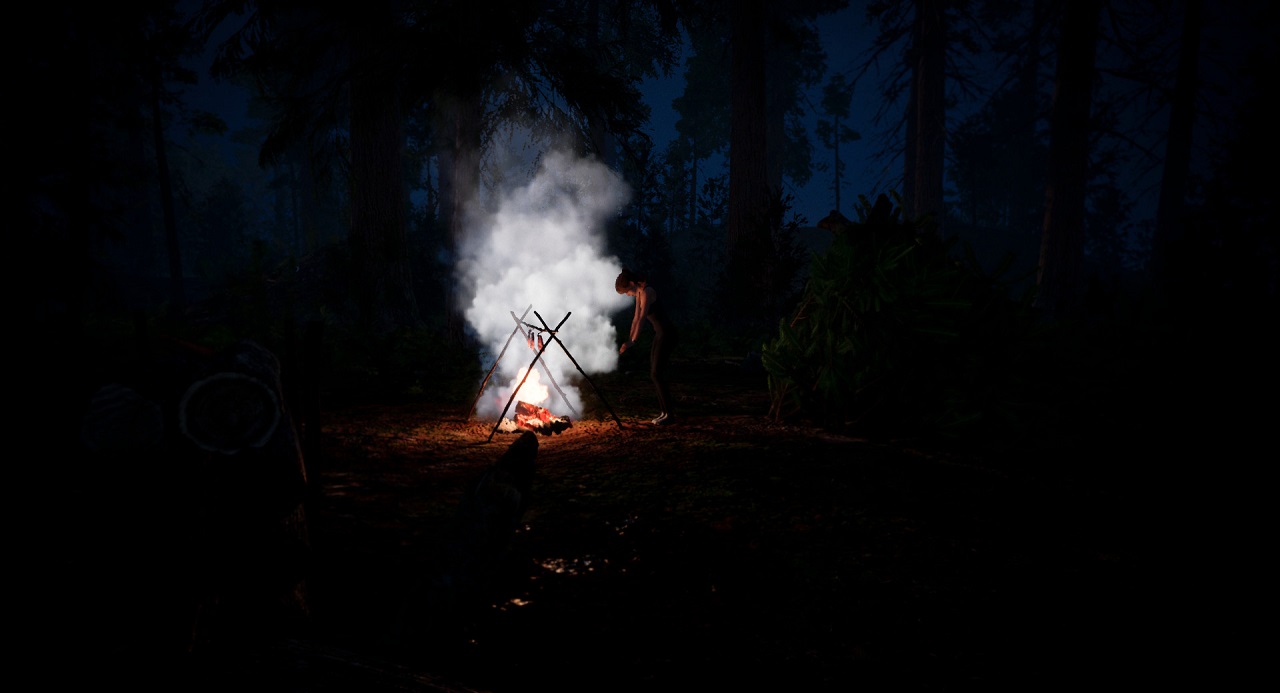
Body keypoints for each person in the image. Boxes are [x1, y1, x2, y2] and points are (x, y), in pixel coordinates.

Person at [616, 268, 679, 425]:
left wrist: (633, 341)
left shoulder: (646, 292)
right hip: (660, 334)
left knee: (657, 373)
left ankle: (669, 414)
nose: (627, 295)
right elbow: (635, 318)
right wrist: (629, 340)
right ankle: (664, 412)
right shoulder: (639, 293)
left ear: (632, 284)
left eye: (626, 291)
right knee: (655, 374)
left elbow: (643, 318)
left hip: (667, 334)